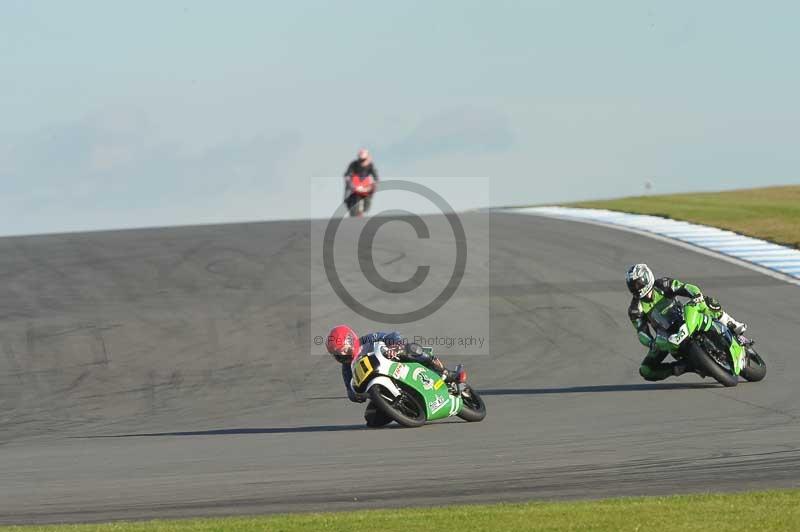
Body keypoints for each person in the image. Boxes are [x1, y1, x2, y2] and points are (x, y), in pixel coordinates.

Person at [625, 263, 748, 381]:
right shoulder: (635, 309)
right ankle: (687, 367)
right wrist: (651, 343)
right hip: (666, 336)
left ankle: (732, 324)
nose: (637, 287)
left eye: (638, 283)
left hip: (684, 317)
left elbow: (685, 287)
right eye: (633, 285)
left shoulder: (663, 284)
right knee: (646, 370)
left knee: (706, 301)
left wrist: (696, 295)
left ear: (647, 278)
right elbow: (641, 331)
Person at [325, 325, 455, 403]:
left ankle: (442, 371)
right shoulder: (347, 368)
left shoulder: (366, 340)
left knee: (411, 349)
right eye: (336, 352)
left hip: (396, 365)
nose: (341, 354)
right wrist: (358, 395)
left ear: (350, 340)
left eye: (343, 349)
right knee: (372, 420)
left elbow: (391, 335)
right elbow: (350, 390)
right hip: (383, 390)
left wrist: (395, 346)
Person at [343, 149, 379, 215]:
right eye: (361, 159)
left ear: (368, 158)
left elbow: (376, 176)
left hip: (365, 185)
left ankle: (366, 206)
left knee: (373, 189)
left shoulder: (370, 165)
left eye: (364, 159)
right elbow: (348, 174)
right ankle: (349, 204)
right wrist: (348, 179)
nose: (362, 161)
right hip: (354, 185)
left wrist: (374, 183)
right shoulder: (353, 164)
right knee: (347, 194)